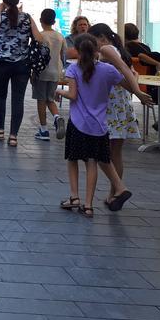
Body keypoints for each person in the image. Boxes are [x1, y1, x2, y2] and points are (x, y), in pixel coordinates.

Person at [57, 33, 134, 218]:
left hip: (78, 122)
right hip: (99, 125)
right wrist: (136, 86)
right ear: (96, 49)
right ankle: (89, 205)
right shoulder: (107, 70)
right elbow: (126, 83)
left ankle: (74, 197)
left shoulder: (74, 69)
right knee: (92, 162)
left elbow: (73, 95)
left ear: (77, 50)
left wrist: (58, 90)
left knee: (73, 160)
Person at [88, 23, 152, 198]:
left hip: (111, 104)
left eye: (93, 40)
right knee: (115, 152)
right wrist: (134, 89)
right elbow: (132, 73)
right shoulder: (119, 49)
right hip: (121, 103)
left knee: (101, 150)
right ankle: (113, 195)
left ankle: (119, 188)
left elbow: (124, 70)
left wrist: (138, 92)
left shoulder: (107, 49)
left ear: (101, 37)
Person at [0, 0, 43, 147]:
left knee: (0, 96)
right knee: (18, 99)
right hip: (22, 64)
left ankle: (0, 131)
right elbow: (39, 38)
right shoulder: (27, 17)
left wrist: (0, 9)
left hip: (2, 63)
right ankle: (13, 137)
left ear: (4, 0)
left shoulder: (0, 16)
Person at [32, 8, 67, 141]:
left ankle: (44, 130)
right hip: (55, 71)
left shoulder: (40, 35)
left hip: (42, 72)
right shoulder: (60, 36)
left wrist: (33, 73)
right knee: (50, 99)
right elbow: (64, 53)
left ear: (41, 20)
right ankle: (57, 117)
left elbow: (35, 56)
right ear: (53, 21)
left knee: (41, 100)